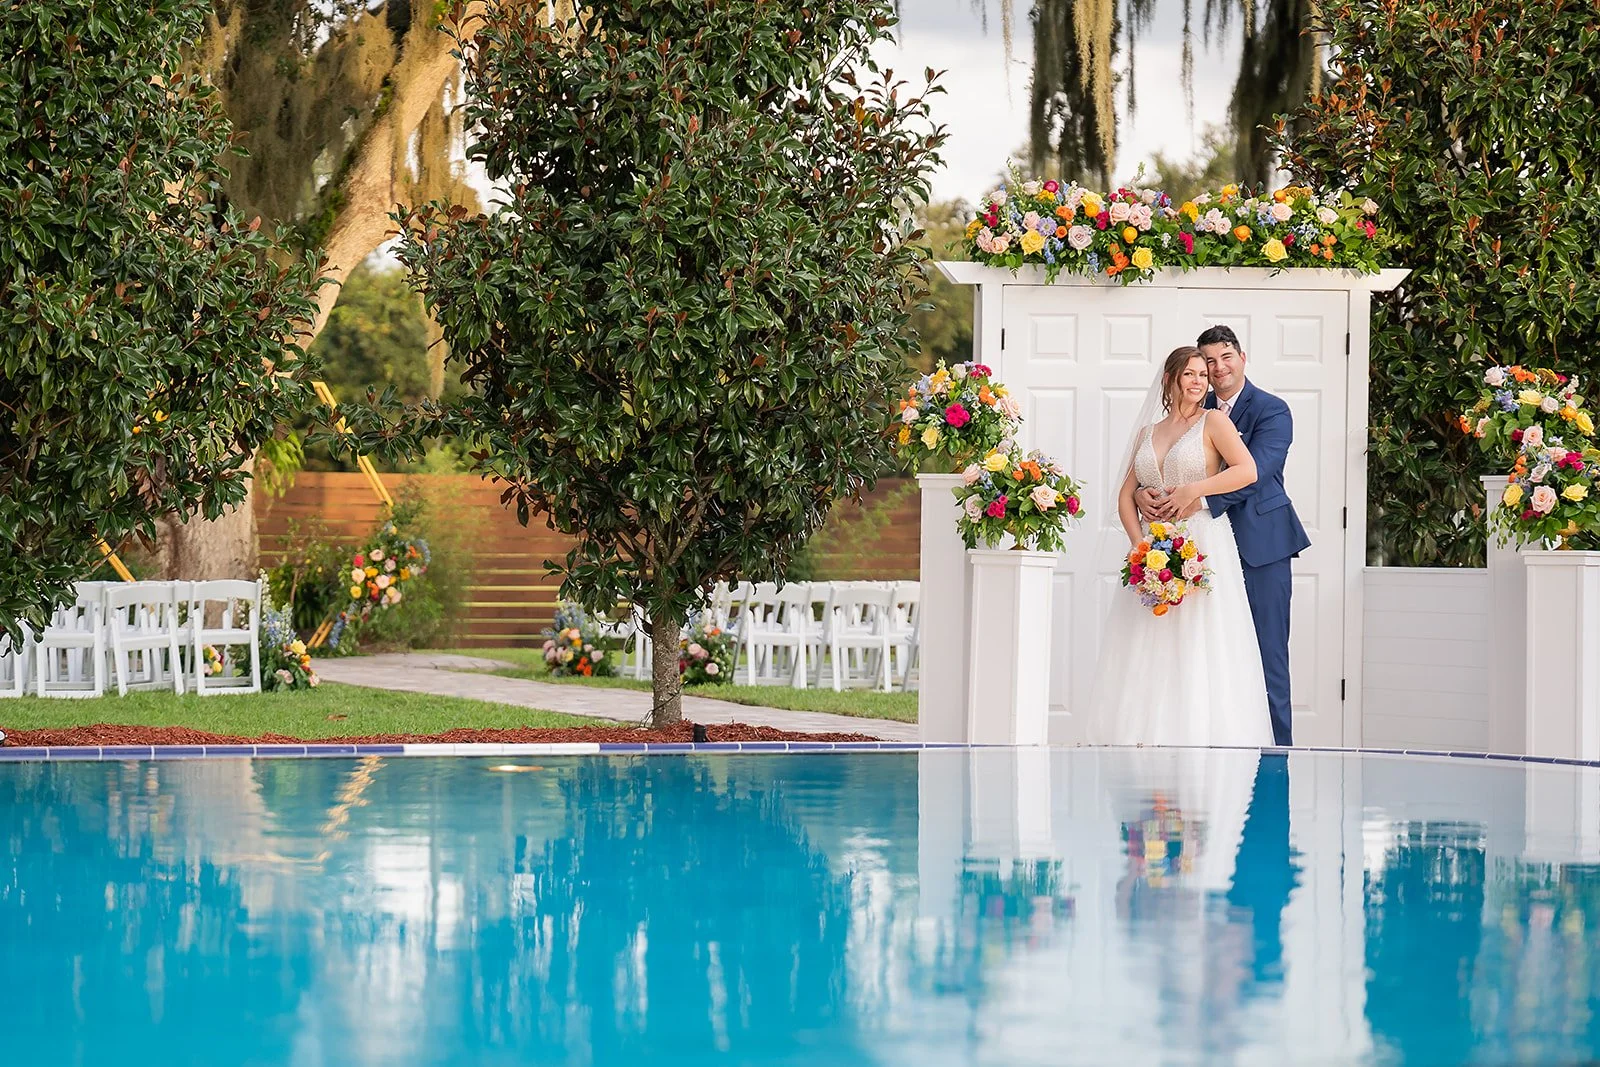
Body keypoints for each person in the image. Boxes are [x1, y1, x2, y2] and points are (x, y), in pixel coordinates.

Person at [1086, 346, 1274, 747]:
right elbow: (1125, 496)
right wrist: (1141, 549)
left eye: (1203, 376)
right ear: (1171, 379)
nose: (1198, 382)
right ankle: (1144, 738)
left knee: (1197, 637)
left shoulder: (1215, 422)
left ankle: (1199, 736)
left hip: (1201, 541)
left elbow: (1247, 470)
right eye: (1190, 374)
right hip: (1154, 547)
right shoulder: (1146, 433)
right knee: (1148, 641)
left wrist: (1195, 488)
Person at [1138, 325, 1310, 747]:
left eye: (1225, 358)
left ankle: (1276, 761)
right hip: (1201, 549)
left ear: (1242, 357)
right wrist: (1145, 491)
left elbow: (1256, 472)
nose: (1216, 369)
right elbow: (1167, 462)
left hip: (1260, 547)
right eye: (1208, 362)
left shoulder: (1272, 410)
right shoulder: (1195, 408)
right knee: (1202, 655)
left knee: (1267, 657)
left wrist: (1200, 501)